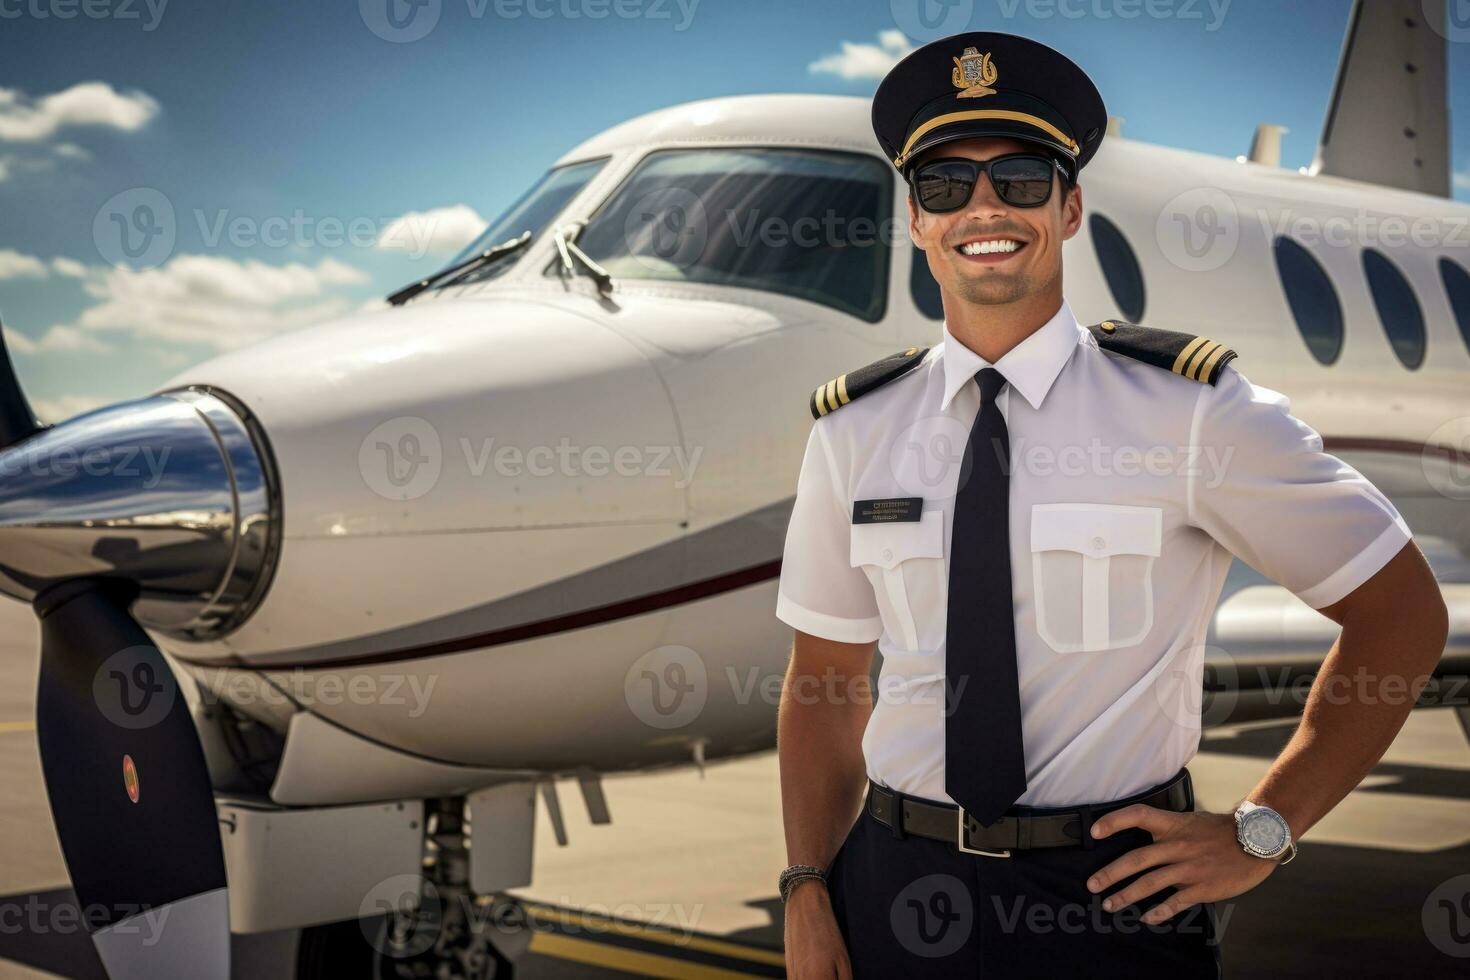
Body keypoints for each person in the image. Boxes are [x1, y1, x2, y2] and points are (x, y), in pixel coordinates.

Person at [773, 29, 1449, 979]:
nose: (982, 208)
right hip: (894, 888)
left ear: (1070, 205)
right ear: (917, 219)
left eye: (1019, 179)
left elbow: (1401, 612)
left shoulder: (1192, 410)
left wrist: (1263, 829)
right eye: (943, 186)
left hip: (1115, 901)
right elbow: (824, 681)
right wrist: (808, 885)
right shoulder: (855, 431)